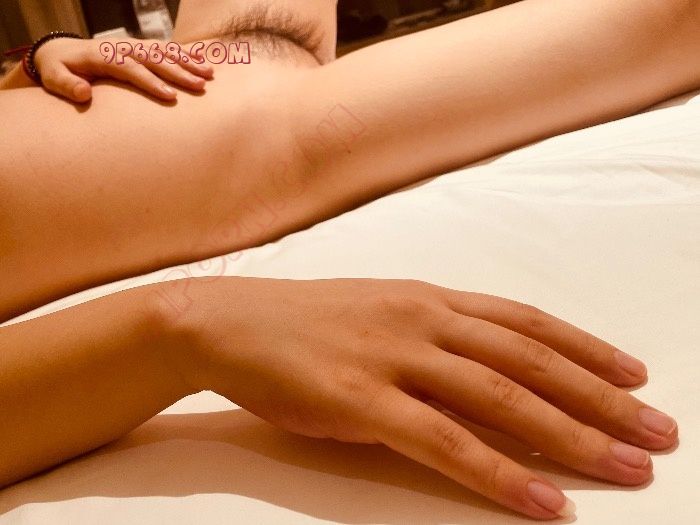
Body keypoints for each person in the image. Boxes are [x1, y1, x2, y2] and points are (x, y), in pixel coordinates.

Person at [1, 0, 696, 519]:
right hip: (241, 116)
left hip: (207, 69)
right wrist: (184, 327)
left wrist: (33, 62)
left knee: (253, 50)